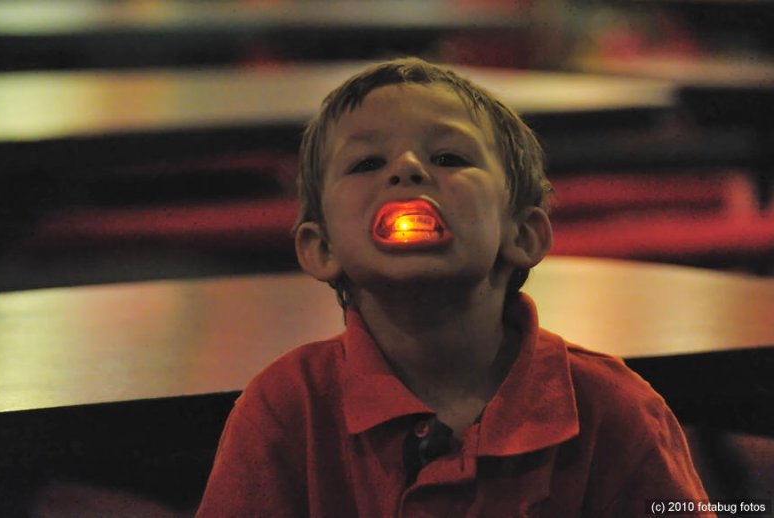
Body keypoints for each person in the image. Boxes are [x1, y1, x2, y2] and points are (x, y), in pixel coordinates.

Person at [197, 58, 711, 517]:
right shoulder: (287, 409)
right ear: (321, 247)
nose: (407, 170)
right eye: (367, 163)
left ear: (523, 233)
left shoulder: (610, 411)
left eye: (448, 158)